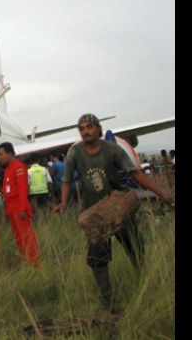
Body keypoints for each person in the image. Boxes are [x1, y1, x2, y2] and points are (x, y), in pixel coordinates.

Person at [52, 114, 174, 310]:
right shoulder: (75, 153)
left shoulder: (113, 150)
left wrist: (161, 193)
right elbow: (66, 180)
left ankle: (145, 286)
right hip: (95, 213)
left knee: (136, 249)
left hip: (119, 207)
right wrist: (64, 202)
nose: (86, 131)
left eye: (89, 127)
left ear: (98, 129)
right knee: (97, 258)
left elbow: (136, 174)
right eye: (82, 128)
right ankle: (107, 300)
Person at [0, 142, 40, 267]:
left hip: (19, 207)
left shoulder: (19, 167)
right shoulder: (8, 169)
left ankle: (34, 262)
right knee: (18, 237)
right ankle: (26, 260)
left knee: (26, 236)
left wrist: (22, 209)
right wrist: (6, 210)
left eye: (1, 154)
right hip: (11, 207)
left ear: (10, 154)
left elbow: (22, 190)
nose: (0, 157)